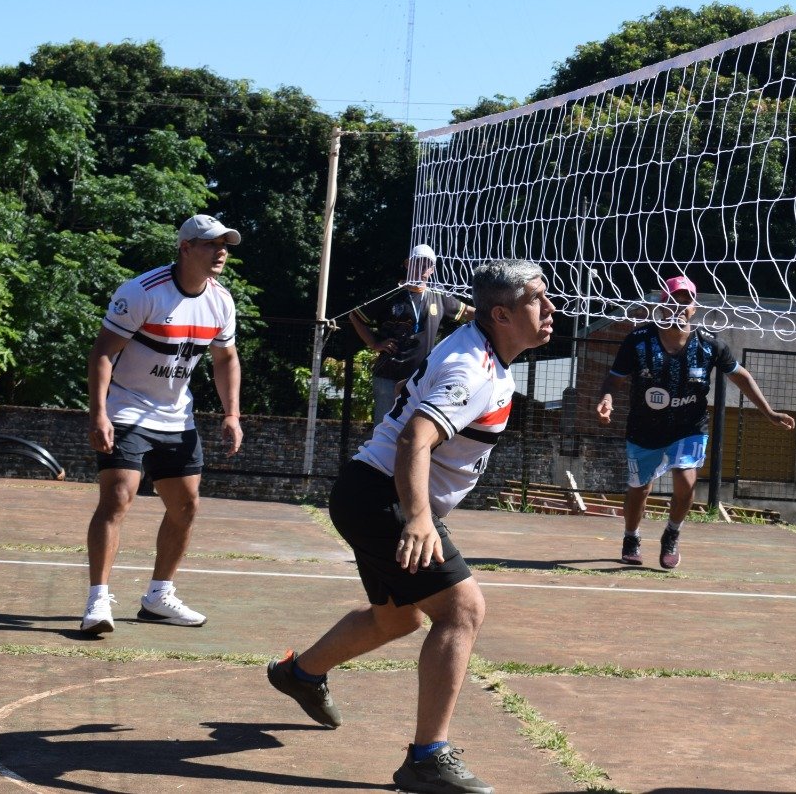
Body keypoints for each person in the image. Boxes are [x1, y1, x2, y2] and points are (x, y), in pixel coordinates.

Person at [267, 259, 554, 794]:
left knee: (396, 620)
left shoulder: (486, 351)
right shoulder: (471, 367)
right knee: (462, 610)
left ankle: (300, 674)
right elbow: (414, 439)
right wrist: (419, 519)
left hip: (368, 492)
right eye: (538, 299)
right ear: (502, 314)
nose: (551, 308)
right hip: (382, 495)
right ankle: (427, 759)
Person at [80, 214, 243, 636]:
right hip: (127, 409)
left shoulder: (221, 301)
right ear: (186, 248)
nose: (220, 251)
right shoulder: (141, 292)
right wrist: (99, 412)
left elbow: (225, 359)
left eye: (224, 244)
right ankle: (98, 600)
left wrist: (231, 414)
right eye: (211, 244)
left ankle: (158, 596)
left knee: (186, 506)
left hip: (176, 416)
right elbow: (102, 353)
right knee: (118, 496)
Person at [595, 274, 795, 570]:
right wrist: (607, 398)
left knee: (686, 480)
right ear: (662, 305)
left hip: (689, 426)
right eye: (674, 299)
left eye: (686, 301)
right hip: (644, 428)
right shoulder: (639, 341)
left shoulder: (709, 345)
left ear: (694, 308)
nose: (679, 306)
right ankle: (631, 536)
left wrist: (768, 412)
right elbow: (614, 379)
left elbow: (740, 375)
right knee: (640, 489)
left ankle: (672, 535)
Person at [349, 243, 474, 424]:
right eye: (418, 263)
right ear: (407, 264)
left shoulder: (438, 296)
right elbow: (355, 316)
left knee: (414, 429)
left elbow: (468, 312)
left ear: (432, 269)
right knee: (384, 427)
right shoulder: (390, 293)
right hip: (388, 375)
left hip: (420, 378)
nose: (422, 268)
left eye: (427, 265)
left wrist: (499, 314)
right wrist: (374, 343)